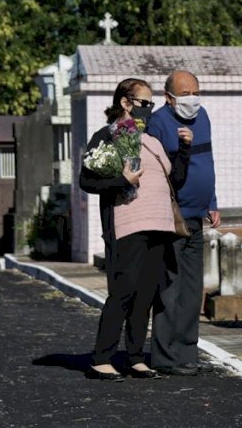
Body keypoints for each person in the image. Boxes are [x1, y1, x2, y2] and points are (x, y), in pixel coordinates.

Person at [79, 78, 191, 381]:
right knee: (123, 292)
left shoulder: (151, 139)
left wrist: (183, 150)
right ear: (126, 102)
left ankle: (135, 357)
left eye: (151, 105)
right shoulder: (107, 136)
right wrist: (121, 182)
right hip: (127, 226)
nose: (148, 110)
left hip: (160, 225)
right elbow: (86, 181)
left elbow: (175, 180)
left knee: (146, 295)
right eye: (144, 103)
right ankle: (101, 358)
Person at [145, 70, 220, 376]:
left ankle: (187, 353)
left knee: (192, 288)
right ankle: (165, 357)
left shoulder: (203, 119)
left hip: (197, 215)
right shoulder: (159, 123)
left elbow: (208, 164)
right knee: (169, 288)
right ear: (169, 97)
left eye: (196, 92)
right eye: (185, 94)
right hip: (171, 217)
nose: (192, 99)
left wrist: (212, 203)